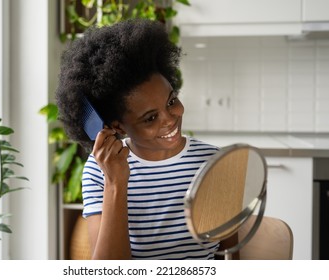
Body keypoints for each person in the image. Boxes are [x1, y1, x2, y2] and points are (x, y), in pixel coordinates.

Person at [55, 19, 222, 260]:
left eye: (171, 101)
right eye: (150, 117)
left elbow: (228, 255)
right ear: (116, 126)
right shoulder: (98, 170)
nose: (169, 119)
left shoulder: (213, 162)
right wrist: (116, 181)